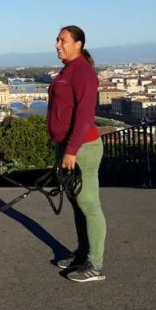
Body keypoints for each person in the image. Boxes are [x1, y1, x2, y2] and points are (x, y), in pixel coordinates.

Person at [47, 25, 106, 282]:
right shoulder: (67, 70)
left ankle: (95, 263)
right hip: (67, 147)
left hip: (82, 148)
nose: (58, 44)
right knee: (77, 203)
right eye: (58, 40)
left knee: (89, 204)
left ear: (78, 44)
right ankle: (83, 254)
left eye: (63, 40)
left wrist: (71, 151)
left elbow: (84, 116)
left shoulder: (82, 72)